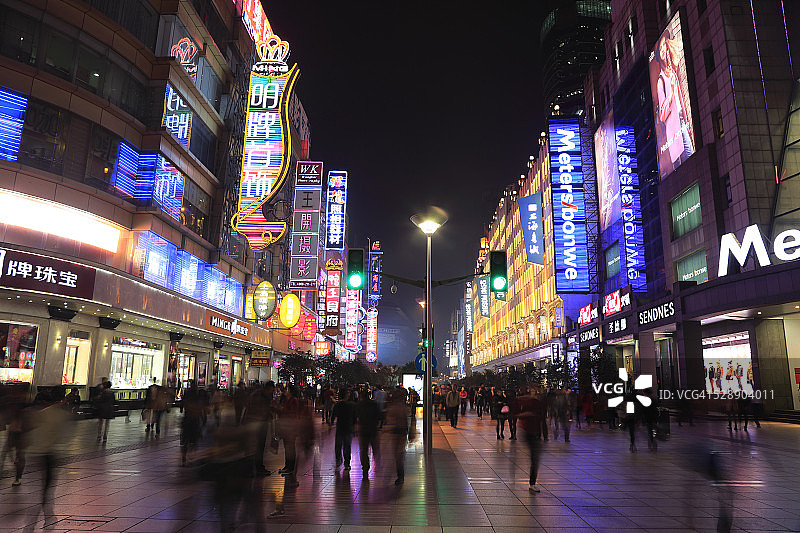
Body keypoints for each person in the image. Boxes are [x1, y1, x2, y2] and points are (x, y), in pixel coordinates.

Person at [516, 388, 546, 493]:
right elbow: (519, 414)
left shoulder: (537, 404)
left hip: (533, 433)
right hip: (529, 433)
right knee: (535, 458)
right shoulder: (529, 403)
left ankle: (532, 483)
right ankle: (532, 483)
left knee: (535, 459)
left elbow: (541, 420)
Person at [386, 388, 413, 485]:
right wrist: (410, 433)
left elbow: (389, 420)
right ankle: (400, 475)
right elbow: (407, 420)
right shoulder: (404, 407)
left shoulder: (393, 407)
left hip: (397, 432)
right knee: (399, 454)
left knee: (397, 454)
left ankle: (400, 475)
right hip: (401, 432)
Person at [356, 389, 380, 478]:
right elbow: (378, 416)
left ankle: (365, 468)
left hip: (363, 429)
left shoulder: (359, 405)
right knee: (375, 449)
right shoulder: (374, 404)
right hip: (373, 429)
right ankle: (378, 465)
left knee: (364, 450)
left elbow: (357, 416)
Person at [181, 380, 204, 465]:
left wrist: (182, 407)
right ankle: (190, 454)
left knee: (185, 440)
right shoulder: (197, 394)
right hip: (194, 419)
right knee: (193, 439)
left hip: (187, 419)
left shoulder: (188, 393)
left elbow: (183, 402)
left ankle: (184, 457)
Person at [331, 390, 355, 471]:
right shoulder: (351, 405)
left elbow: (333, 415)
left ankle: (338, 460)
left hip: (340, 426)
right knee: (347, 446)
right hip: (348, 427)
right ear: (346, 395)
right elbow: (354, 416)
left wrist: (331, 422)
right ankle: (347, 463)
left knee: (338, 445)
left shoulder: (337, 405)